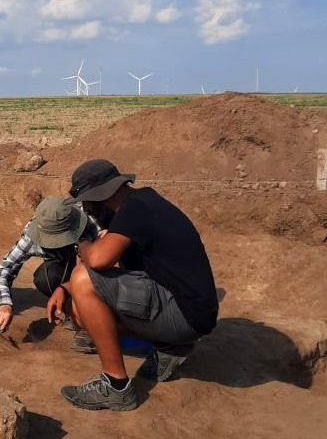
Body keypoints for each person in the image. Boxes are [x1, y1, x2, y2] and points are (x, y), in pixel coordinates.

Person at [48, 159, 218, 411]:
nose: (85, 207)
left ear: (100, 194)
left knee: (83, 276)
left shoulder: (134, 210)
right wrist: (64, 288)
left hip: (182, 314)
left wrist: (83, 246)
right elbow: (118, 278)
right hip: (189, 314)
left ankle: (115, 386)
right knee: (82, 314)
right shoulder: (140, 203)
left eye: (86, 200)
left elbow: (97, 260)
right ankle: (169, 346)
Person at [0, 196, 101, 352]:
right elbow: (3, 269)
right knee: (46, 277)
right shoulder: (32, 235)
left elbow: (105, 268)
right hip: (64, 264)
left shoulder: (91, 223)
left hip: (96, 265)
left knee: (95, 272)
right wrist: (4, 303)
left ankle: (92, 321)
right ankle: (71, 311)